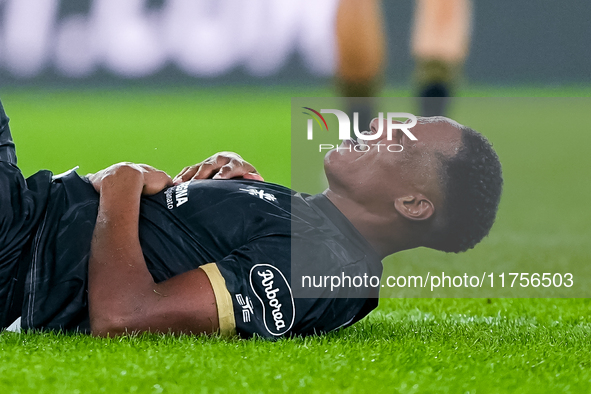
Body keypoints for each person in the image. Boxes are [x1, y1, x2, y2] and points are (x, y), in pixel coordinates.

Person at [0, 98, 502, 338]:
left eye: (400, 141)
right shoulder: (317, 232)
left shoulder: (323, 270)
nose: (376, 130)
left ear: (413, 205)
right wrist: (232, 197)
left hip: (17, 251)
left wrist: (120, 183)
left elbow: (126, 317)